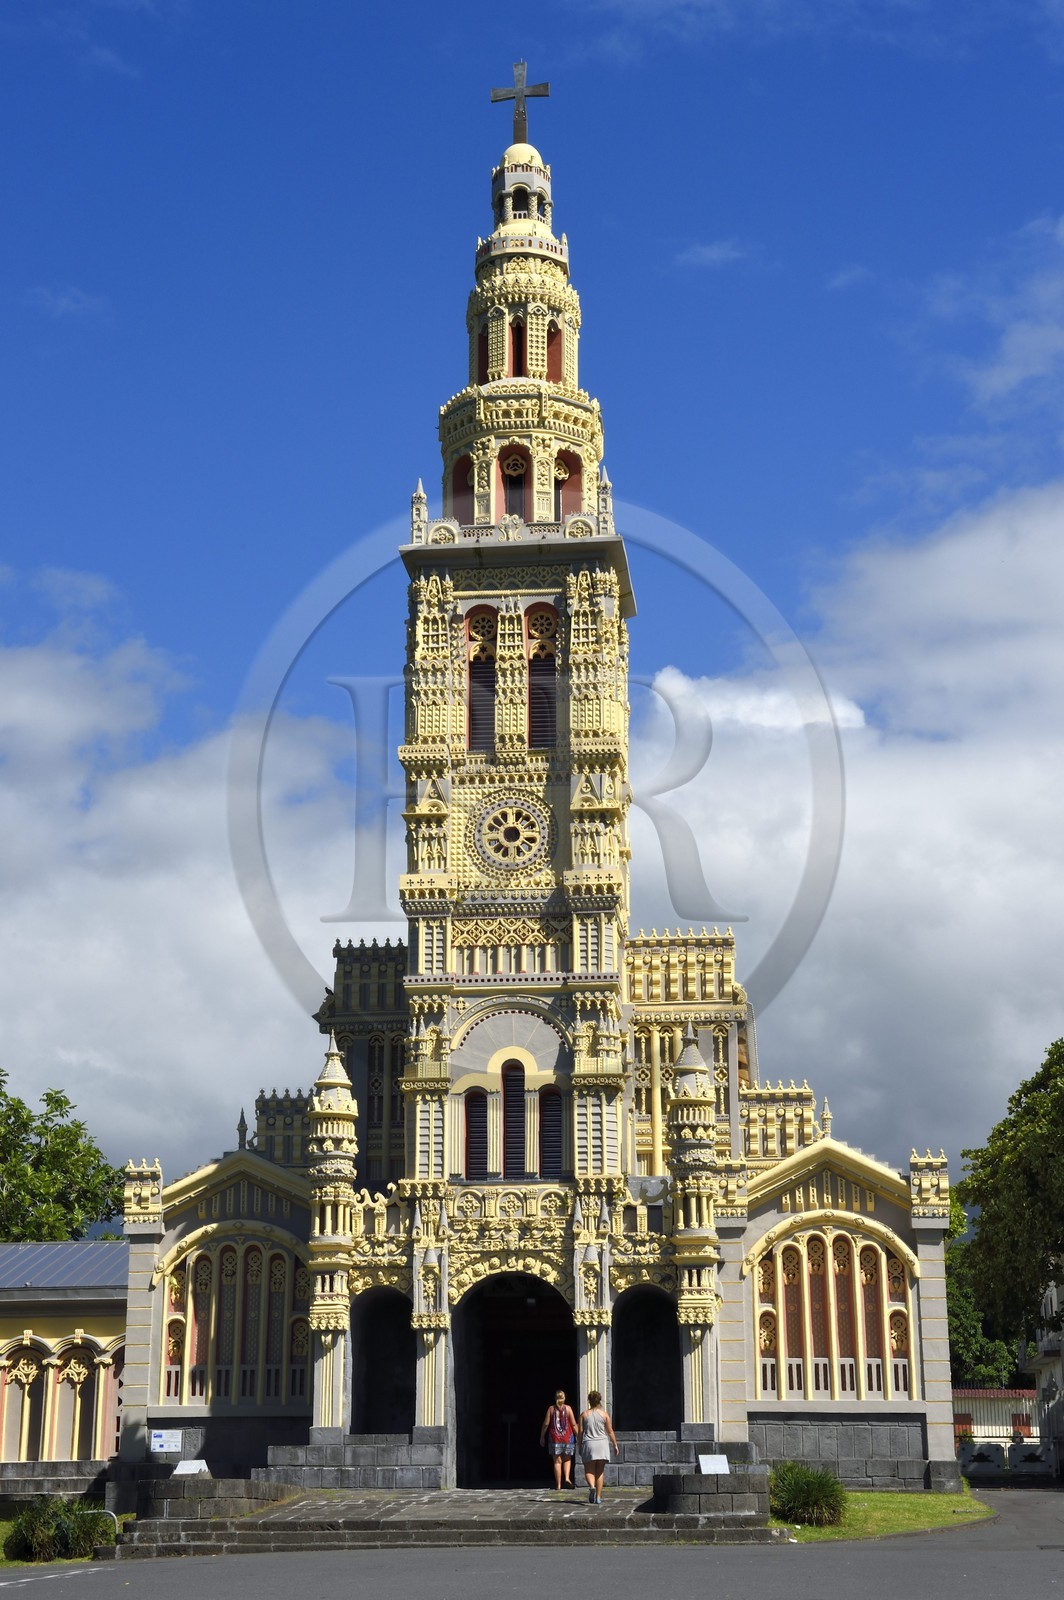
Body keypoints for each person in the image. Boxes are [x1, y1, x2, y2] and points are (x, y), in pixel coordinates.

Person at [578, 1390, 618, 1504]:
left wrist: (579, 1445)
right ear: (599, 1401)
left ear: (589, 1401)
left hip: (589, 1443)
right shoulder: (604, 1414)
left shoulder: (584, 1415)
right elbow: (610, 1431)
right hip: (602, 1444)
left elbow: (580, 1432)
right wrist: (615, 1444)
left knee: (589, 1470)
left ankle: (592, 1486)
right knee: (600, 1472)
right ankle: (598, 1497)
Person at [539, 1388, 578, 1489]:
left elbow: (546, 1424)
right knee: (567, 1459)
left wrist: (542, 1436)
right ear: (564, 1398)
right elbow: (574, 1424)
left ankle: (558, 1485)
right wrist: (578, 1435)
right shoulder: (568, 1409)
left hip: (555, 1438)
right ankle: (567, 1478)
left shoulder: (551, 1409)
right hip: (568, 1438)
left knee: (557, 1461)